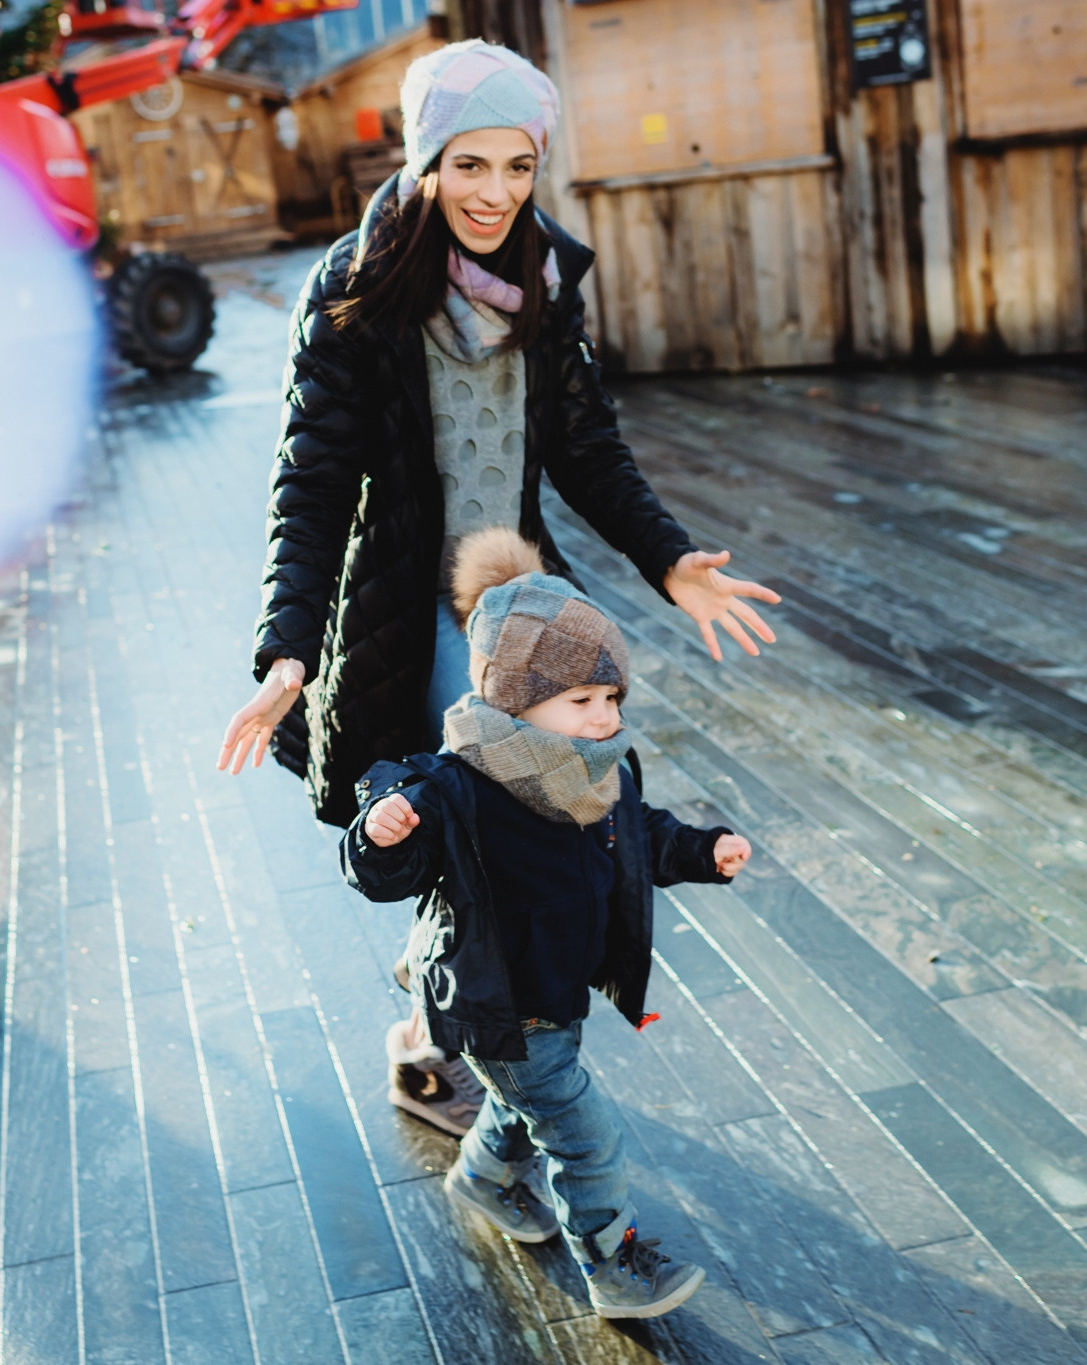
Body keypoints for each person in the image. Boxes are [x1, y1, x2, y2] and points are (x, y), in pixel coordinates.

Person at [216, 39, 779, 1133]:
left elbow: (586, 449)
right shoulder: (355, 293)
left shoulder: (542, 282)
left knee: (534, 826)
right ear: (426, 160)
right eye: (468, 166)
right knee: (474, 829)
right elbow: (312, 488)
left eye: (516, 167)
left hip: (517, 602)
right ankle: (435, 1046)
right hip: (404, 609)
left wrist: (667, 561)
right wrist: (288, 650)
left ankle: (441, 1024)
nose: (494, 194)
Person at [341, 529, 750, 1318]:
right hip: (496, 1002)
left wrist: (704, 850)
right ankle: (614, 1266)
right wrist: (379, 833)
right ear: (516, 704)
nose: (604, 718)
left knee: (522, 1106)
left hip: (557, 992)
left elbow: (645, 836)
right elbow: (384, 874)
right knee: (582, 1132)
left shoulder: (598, 770)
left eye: (612, 699)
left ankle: (484, 1179)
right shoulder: (455, 787)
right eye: (582, 701)